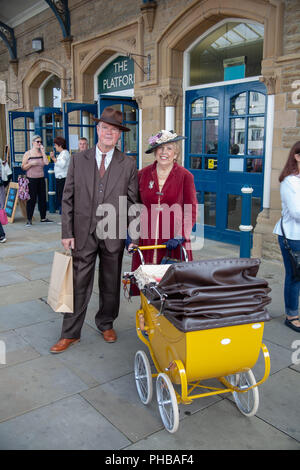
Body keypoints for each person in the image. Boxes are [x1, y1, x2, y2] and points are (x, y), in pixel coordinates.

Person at [50, 107, 139, 353]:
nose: (109, 133)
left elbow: (133, 202)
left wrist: (134, 235)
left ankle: (106, 323)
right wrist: (67, 232)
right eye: (105, 128)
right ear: (97, 129)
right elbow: (67, 198)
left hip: (113, 233)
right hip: (82, 232)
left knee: (110, 282)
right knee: (78, 283)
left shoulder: (128, 164)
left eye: (114, 130)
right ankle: (70, 333)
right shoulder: (79, 160)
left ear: (120, 135)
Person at [130, 129, 197, 271]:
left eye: (169, 148)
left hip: (174, 236)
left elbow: (190, 210)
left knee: (172, 282)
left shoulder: (185, 176)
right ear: (155, 152)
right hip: (146, 235)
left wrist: (181, 235)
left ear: (176, 154)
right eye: (160, 148)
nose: (164, 152)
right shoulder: (142, 174)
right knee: (146, 280)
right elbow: (134, 206)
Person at [273, 141, 300, 332]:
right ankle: (291, 316)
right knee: (295, 276)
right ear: (297, 157)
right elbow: (297, 212)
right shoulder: (289, 182)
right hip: (292, 236)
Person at [21, 135, 53, 226]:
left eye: (40, 142)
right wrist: (31, 164)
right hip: (31, 179)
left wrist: (43, 151)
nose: (39, 143)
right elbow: (23, 167)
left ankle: (43, 217)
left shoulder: (41, 153)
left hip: (41, 178)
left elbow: (46, 163)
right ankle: (29, 219)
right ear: (33, 142)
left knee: (42, 198)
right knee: (32, 199)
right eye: (37, 142)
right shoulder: (28, 154)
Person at [50, 137, 70, 214]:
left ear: (60, 145)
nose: (55, 147)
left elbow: (62, 165)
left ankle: (65, 215)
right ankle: (63, 215)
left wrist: (53, 158)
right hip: (60, 178)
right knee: (60, 198)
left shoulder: (65, 153)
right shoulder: (62, 154)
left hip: (63, 179)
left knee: (63, 198)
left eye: (55, 145)